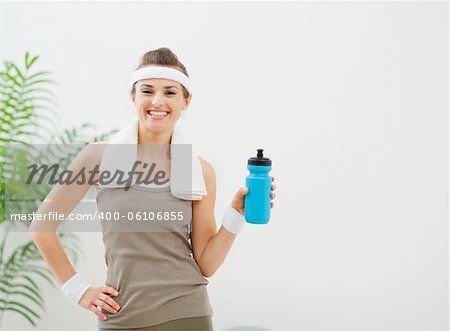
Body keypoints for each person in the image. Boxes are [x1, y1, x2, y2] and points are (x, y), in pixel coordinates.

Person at [31, 47, 277, 331]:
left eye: (170, 92)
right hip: (122, 316)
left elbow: (206, 263)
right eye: (147, 91)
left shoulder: (201, 171)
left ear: (186, 101)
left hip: (188, 313)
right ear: (133, 97)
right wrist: (78, 289)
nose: (158, 101)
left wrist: (236, 215)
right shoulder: (97, 158)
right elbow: (41, 227)